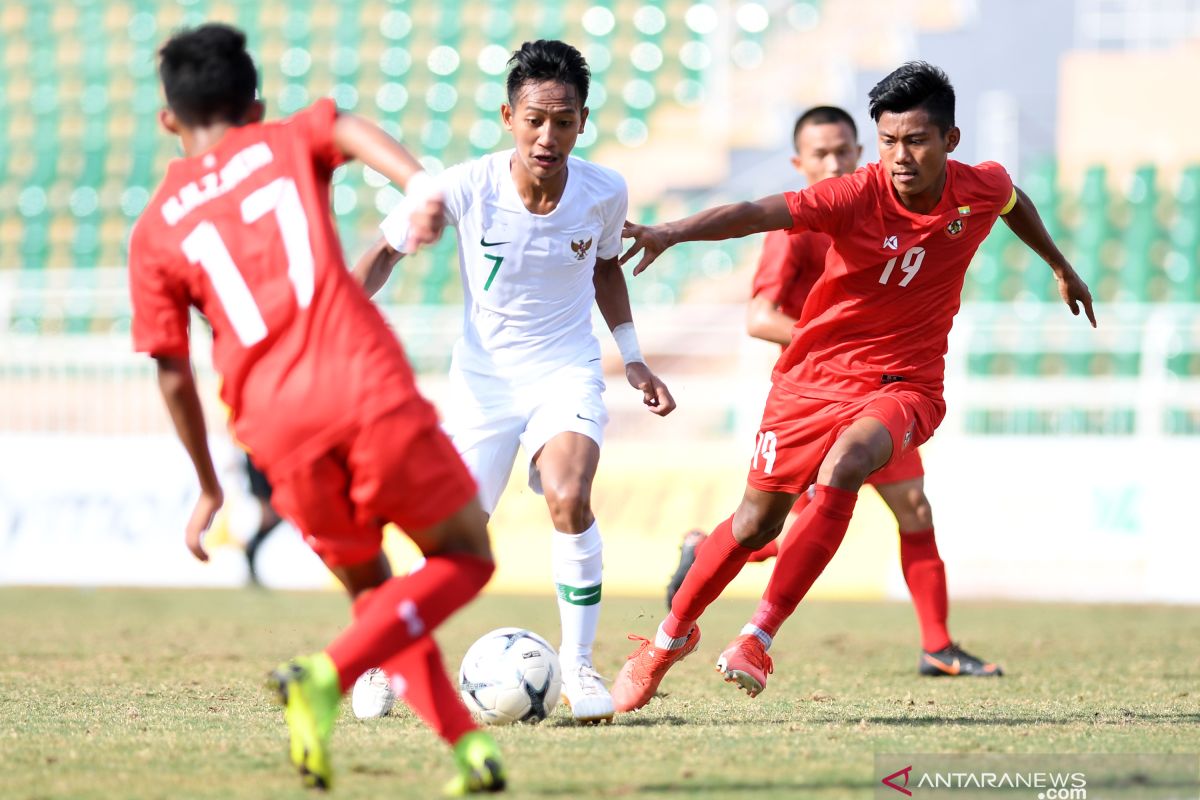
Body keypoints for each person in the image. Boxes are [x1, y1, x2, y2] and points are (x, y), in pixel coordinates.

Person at [612, 62, 1095, 712]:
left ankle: (760, 637)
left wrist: (1061, 266)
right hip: (812, 378)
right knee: (755, 525)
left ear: (950, 141)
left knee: (852, 469)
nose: (900, 156)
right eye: (890, 140)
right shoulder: (852, 196)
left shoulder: (980, 186)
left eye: (916, 140)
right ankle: (665, 643)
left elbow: (1013, 202)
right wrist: (672, 231)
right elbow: (759, 212)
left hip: (905, 383)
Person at [128, 24, 506, 794]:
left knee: (375, 596)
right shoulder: (283, 140)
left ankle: (469, 752)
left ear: (169, 120)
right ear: (256, 102)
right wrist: (421, 186)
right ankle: (323, 675)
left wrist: (209, 484)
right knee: (466, 555)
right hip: (359, 384)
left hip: (270, 424)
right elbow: (347, 126)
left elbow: (171, 372)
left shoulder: (154, 229)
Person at [352, 39, 675, 725]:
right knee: (450, 542)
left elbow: (607, 267)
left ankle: (579, 670)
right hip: (482, 383)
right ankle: (386, 655)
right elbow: (384, 252)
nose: (547, 136)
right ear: (509, 116)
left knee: (568, 496)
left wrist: (633, 355)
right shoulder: (465, 186)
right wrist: (333, 322)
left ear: (582, 122)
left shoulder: (604, 190)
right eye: (534, 119)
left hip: (565, 369)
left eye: (563, 121)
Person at [665, 105, 1001, 677]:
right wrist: (833, 344)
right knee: (777, 522)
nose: (834, 162)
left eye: (844, 151)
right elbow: (758, 316)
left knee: (912, 507)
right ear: (799, 163)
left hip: (884, 389)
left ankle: (937, 646)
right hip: (815, 397)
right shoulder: (796, 233)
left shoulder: (875, 207)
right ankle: (709, 569)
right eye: (820, 154)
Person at [242, 454, 283, 586]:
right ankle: (250, 554)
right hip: (262, 468)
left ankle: (250, 553)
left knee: (272, 518)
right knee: (269, 518)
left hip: (274, 466)